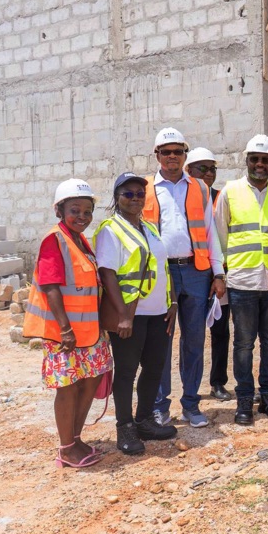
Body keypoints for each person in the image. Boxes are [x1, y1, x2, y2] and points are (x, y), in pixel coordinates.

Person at [23, 179, 112, 469]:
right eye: (76, 210)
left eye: (88, 211)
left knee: (90, 381)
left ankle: (75, 438)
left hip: (88, 331)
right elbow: (50, 286)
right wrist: (65, 329)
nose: (83, 217)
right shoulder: (55, 239)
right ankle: (66, 448)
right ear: (60, 210)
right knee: (68, 388)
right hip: (66, 333)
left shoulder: (80, 240)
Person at [144, 128, 226, 429]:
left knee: (193, 341)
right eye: (166, 152)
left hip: (195, 272)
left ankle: (191, 404)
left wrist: (218, 273)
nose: (172, 157)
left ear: (185, 155)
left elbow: (210, 233)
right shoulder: (146, 188)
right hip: (161, 275)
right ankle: (159, 406)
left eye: (177, 151)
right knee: (160, 343)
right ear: (157, 155)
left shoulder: (199, 189)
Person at [94, 173, 178, 455]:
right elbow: (107, 273)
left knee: (154, 368)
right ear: (117, 198)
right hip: (131, 315)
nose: (135, 198)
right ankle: (125, 426)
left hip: (159, 312)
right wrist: (123, 315)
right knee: (127, 372)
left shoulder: (150, 228)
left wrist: (173, 303)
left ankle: (144, 421)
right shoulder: (111, 230)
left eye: (140, 194)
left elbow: (162, 267)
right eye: (128, 194)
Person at [214, 134, 268, 425]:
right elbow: (221, 236)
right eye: (255, 159)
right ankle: (245, 400)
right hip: (242, 281)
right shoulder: (230, 192)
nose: (260, 164)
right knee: (244, 344)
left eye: (265, 160)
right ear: (246, 161)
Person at [184, 147, 233, 402]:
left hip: (217, 274)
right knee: (191, 333)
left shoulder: (221, 197)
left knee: (220, 330)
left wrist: (220, 274)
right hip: (191, 274)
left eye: (213, 168)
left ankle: (218, 382)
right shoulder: (182, 196)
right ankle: (188, 389)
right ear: (189, 170)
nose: (209, 173)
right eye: (203, 168)